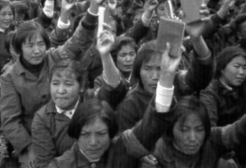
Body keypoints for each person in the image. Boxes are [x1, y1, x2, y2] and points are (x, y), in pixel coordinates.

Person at [0, 0, 104, 168]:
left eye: (41, 44)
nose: (37, 50)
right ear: (19, 49)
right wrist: (29, 146)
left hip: (68, 129)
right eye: (30, 46)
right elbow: (10, 121)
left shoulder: (54, 57)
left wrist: (93, 8)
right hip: (32, 137)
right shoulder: (9, 77)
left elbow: (79, 41)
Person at [48, 39, 182, 168]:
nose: (93, 143)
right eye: (85, 134)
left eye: (101, 134)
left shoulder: (124, 150)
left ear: (111, 134)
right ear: (76, 134)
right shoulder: (60, 165)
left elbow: (154, 123)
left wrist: (166, 76)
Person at [142, 60, 246, 168]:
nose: (192, 138)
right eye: (184, 130)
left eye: (199, 130)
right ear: (171, 130)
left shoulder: (212, 141)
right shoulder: (154, 156)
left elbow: (245, 128)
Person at [117, 15, 214, 132]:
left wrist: (197, 39)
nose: (154, 76)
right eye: (147, 69)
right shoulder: (129, 105)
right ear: (138, 70)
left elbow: (201, 75)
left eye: (160, 68)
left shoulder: (178, 83)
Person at [31, 59, 84, 168]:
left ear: (81, 86)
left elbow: (111, 88)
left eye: (68, 84)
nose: (60, 91)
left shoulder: (90, 102)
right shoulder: (42, 119)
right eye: (55, 84)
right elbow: (45, 164)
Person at [200, 46, 246, 127]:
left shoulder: (245, 79)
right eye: (236, 66)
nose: (241, 72)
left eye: (245, 67)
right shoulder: (209, 93)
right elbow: (210, 129)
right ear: (222, 68)